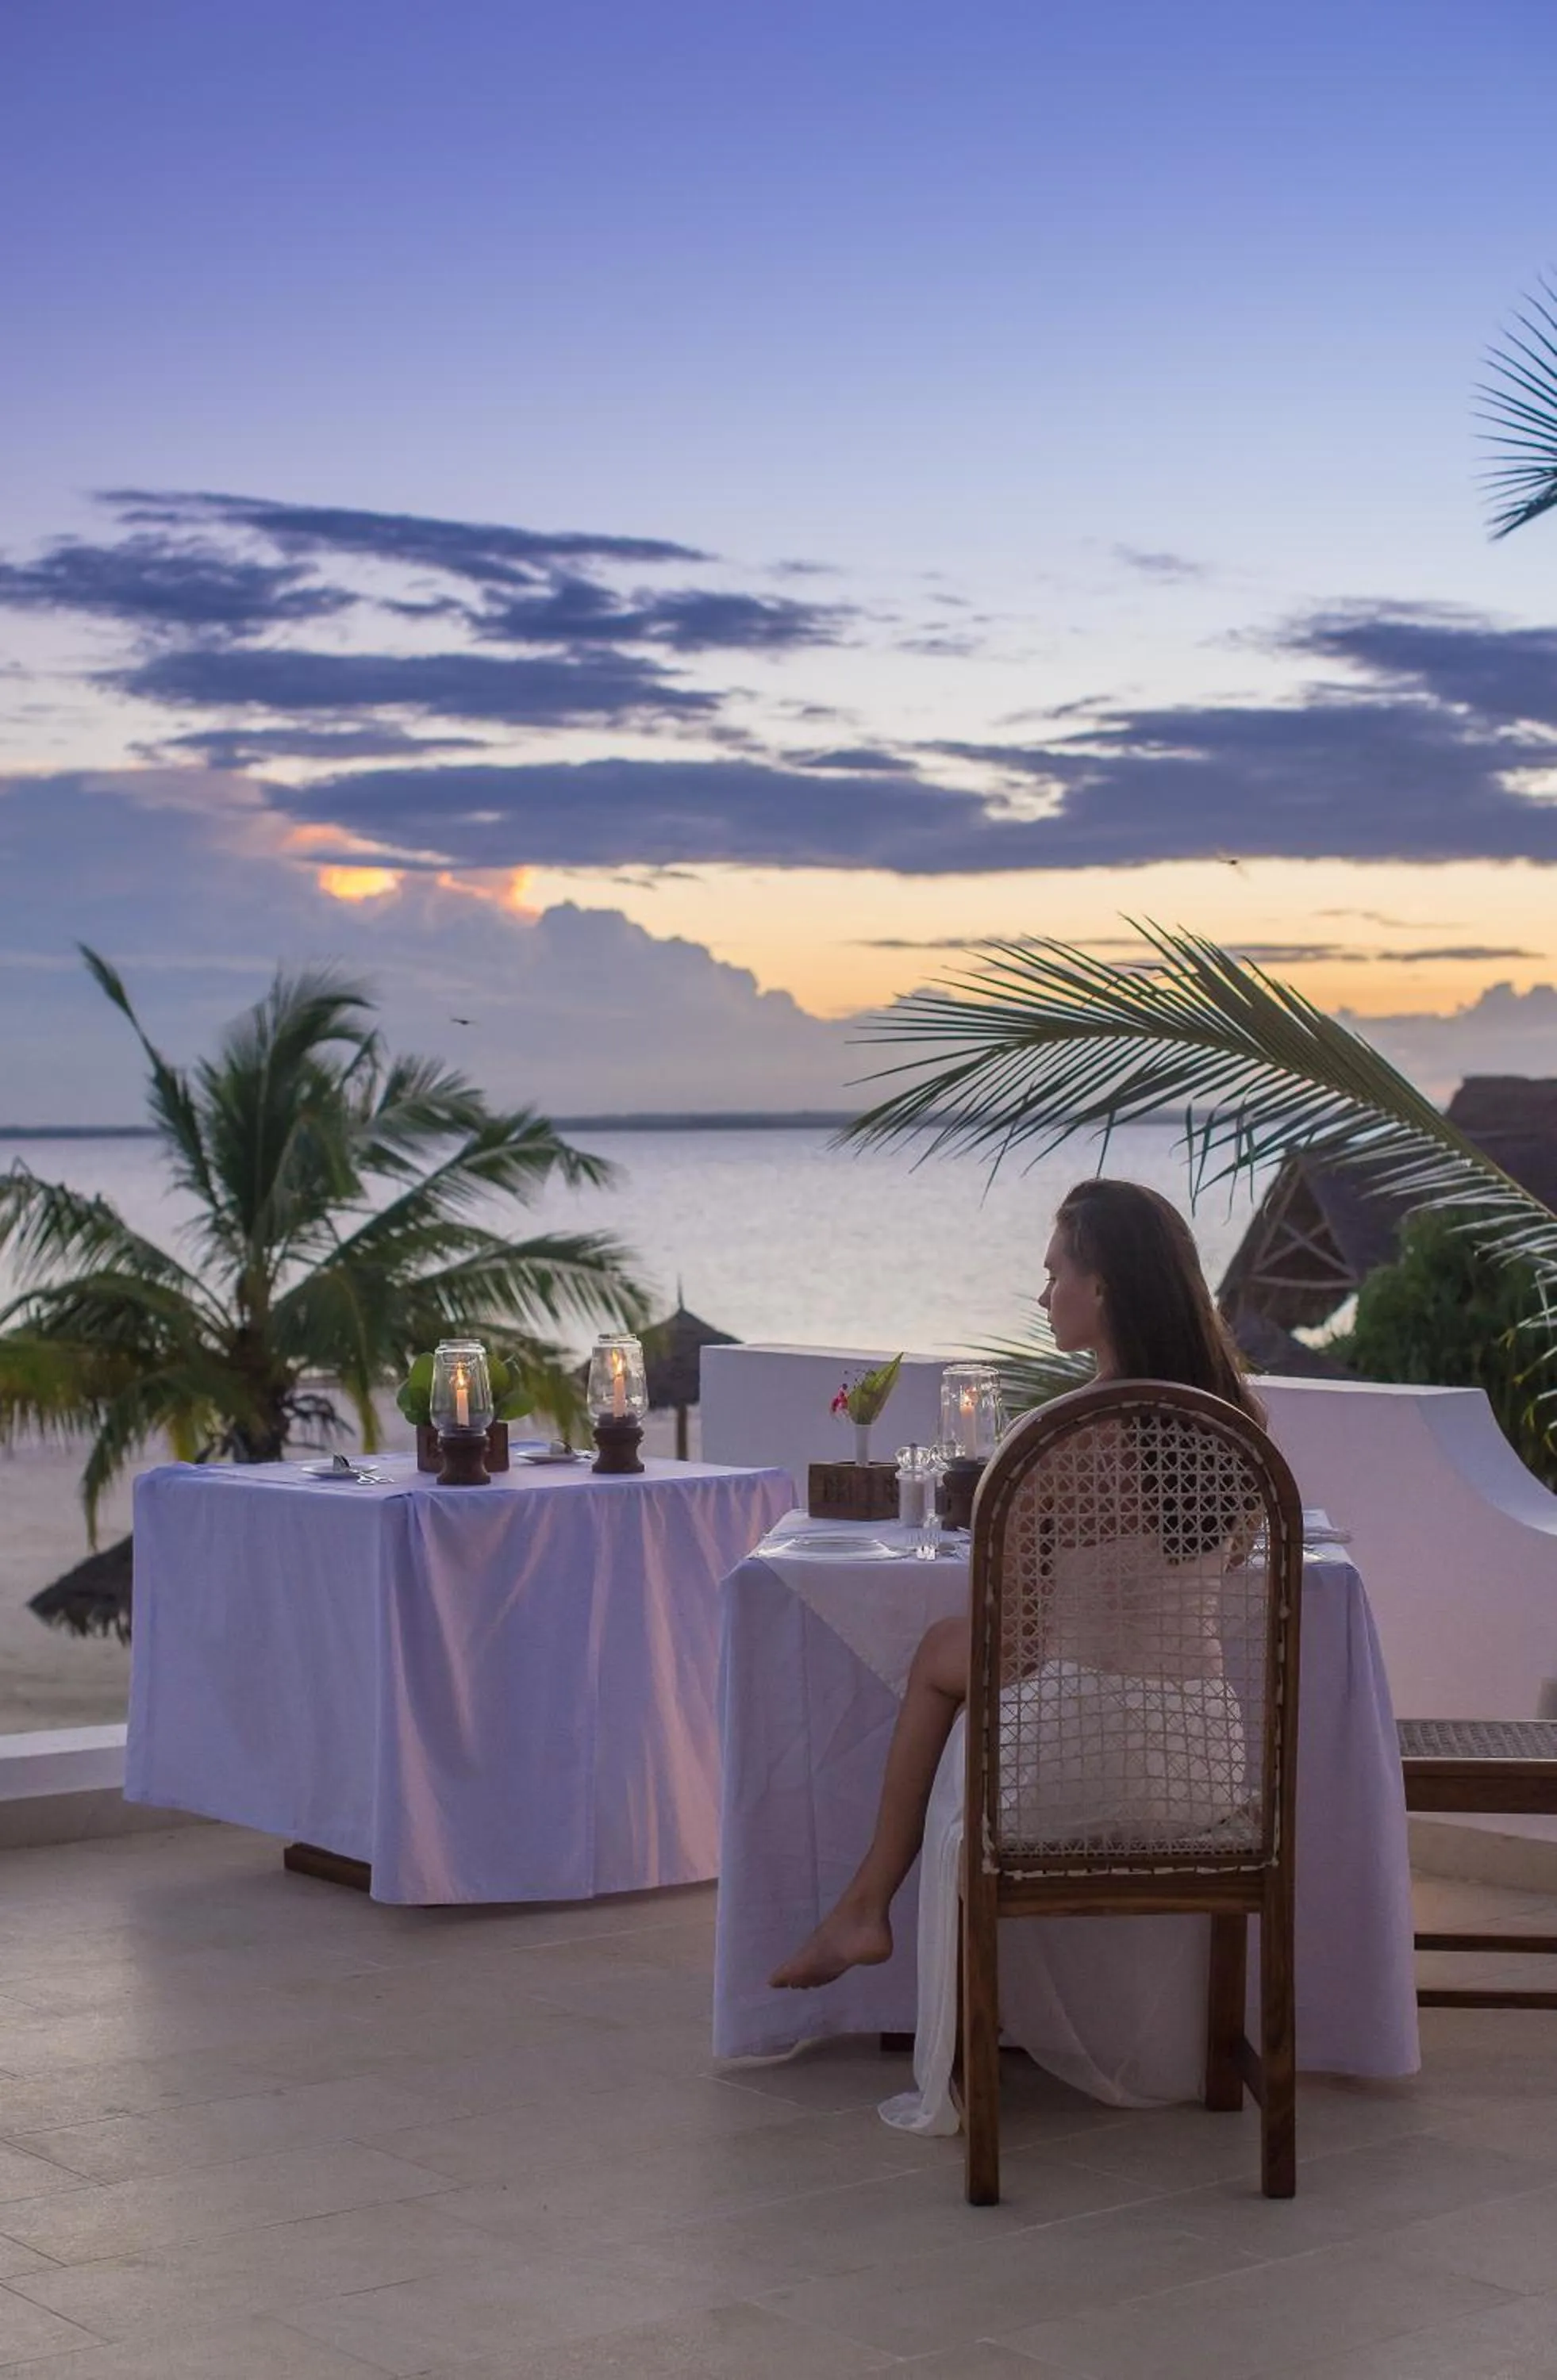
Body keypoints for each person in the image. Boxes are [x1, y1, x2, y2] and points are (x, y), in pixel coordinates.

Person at [768, 1176, 1263, 1991]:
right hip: (1201, 1766)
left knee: (940, 1654)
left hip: (1075, 1775)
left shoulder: (1054, 1440)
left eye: (1054, 1273)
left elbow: (1022, 1643)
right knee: (958, 1653)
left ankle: (864, 1904)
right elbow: (1233, 1561)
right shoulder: (1238, 1423)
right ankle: (862, 1907)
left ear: (1100, 1286)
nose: (1043, 1295)